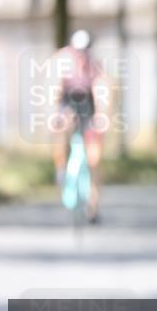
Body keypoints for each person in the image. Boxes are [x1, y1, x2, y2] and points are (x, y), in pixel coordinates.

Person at [51, 29, 107, 223]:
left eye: (85, 50)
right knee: (62, 125)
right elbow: (56, 89)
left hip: (87, 103)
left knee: (94, 158)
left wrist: (101, 116)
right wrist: (56, 114)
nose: (81, 55)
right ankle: (61, 166)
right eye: (78, 51)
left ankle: (93, 206)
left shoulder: (95, 64)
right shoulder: (62, 60)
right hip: (67, 100)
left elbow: (100, 90)